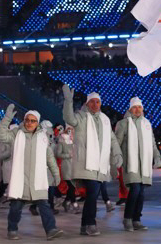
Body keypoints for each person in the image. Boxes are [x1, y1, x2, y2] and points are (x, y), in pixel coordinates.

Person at [62, 85, 123, 236]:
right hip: (85, 163)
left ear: (100, 104)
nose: (95, 104)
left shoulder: (105, 120)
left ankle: (84, 226)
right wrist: (68, 101)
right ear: (87, 104)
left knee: (92, 194)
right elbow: (68, 118)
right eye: (92, 102)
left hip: (100, 165)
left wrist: (117, 154)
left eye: (97, 102)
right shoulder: (81, 117)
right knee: (93, 193)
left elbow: (112, 139)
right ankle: (91, 223)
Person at [0, 105, 64, 241]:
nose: (29, 123)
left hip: (37, 179)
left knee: (44, 205)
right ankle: (12, 229)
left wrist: (56, 174)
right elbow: (1, 135)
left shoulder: (43, 137)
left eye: (33, 121)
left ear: (37, 122)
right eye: (27, 120)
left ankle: (51, 230)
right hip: (20, 180)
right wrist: (7, 118)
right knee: (16, 207)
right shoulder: (17, 133)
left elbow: (49, 156)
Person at [114, 97, 161, 231]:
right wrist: (115, 158)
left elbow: (152, 143)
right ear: (130, 109)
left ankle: (136, 219)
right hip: (131, 163)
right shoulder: (123, 124)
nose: (137, 109)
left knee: (141, 193)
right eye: (134, 107)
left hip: (144, 165)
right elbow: (116, 143)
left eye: (139, 107)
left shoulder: (147, 124)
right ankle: (127, 218)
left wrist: (157, 156)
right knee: (134, 190)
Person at [55, 125, 81, 214]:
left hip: (75, 167)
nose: (71, 131)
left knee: (72, 186)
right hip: (66, 167)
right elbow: (58, 154)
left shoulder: (75, 140)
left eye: (73, 129)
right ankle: (74, 204)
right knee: (71, 186)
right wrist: (69, 155)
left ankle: (66, 202)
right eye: (70, 129)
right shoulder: (62, 140)